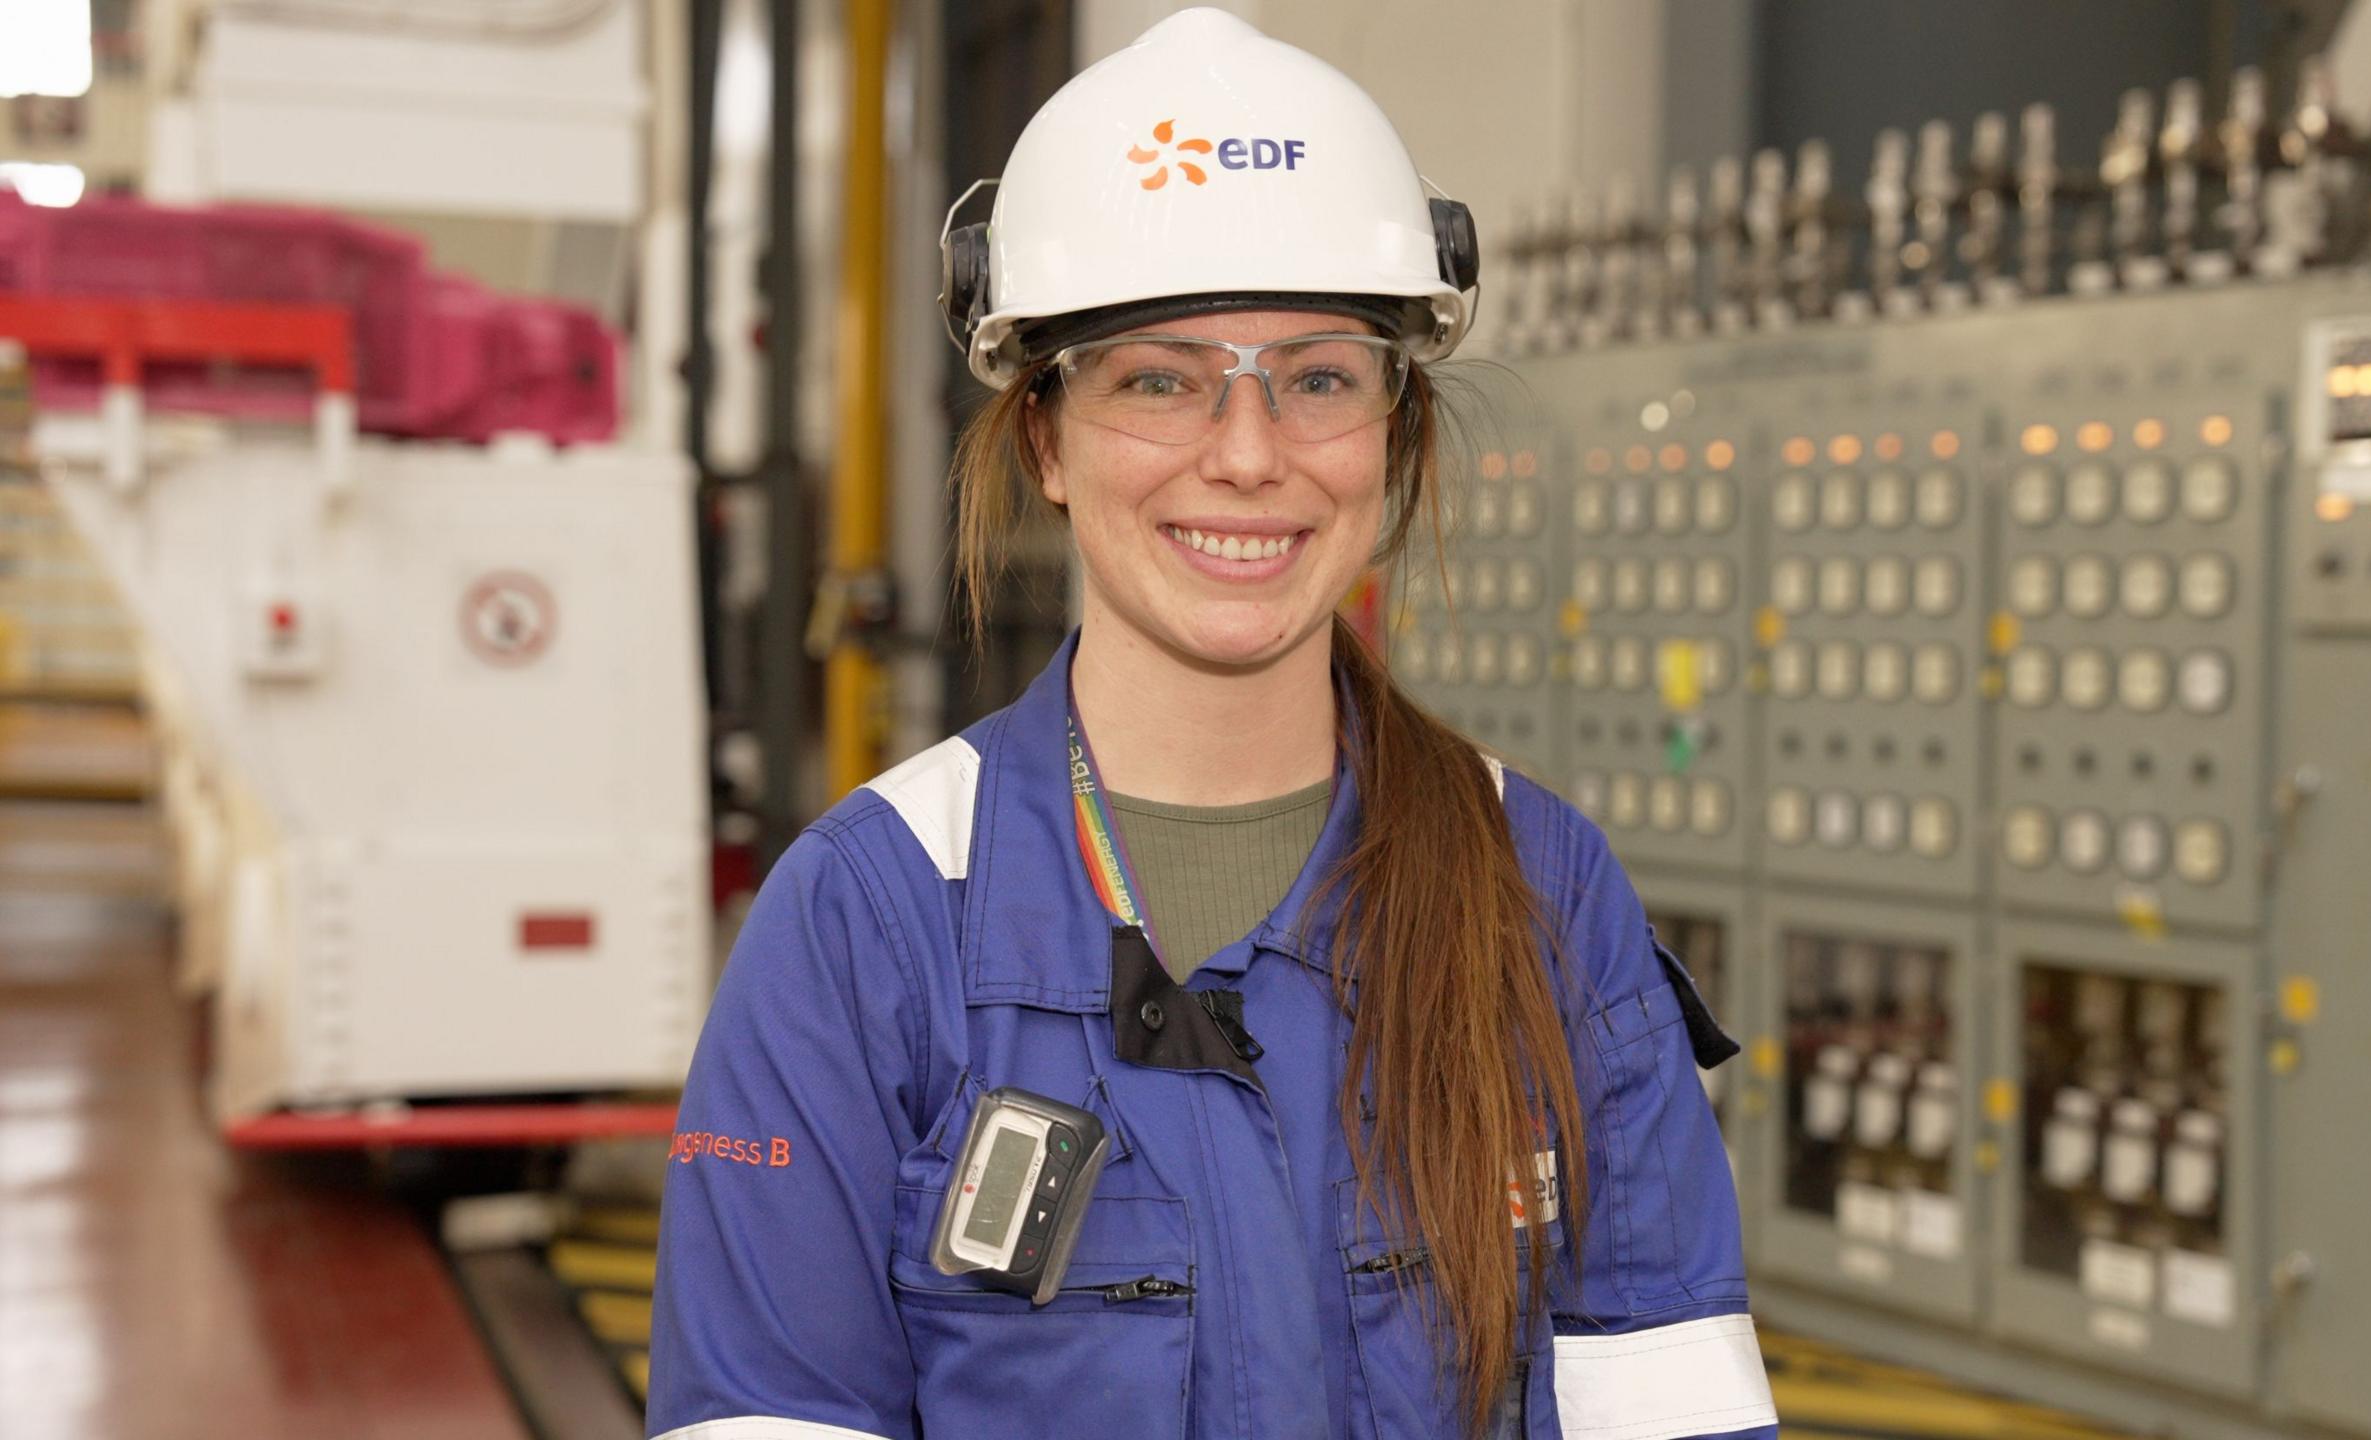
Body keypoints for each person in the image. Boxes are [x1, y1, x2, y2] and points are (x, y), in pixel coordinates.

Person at [646, 10, 1774, 1438]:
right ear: (1047, 435)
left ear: (1393, 433)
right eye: (1160, 379)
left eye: (1316, 379)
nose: (1246, 457)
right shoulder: (871, 923)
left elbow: (1669, 1406)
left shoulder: (1543, 894)